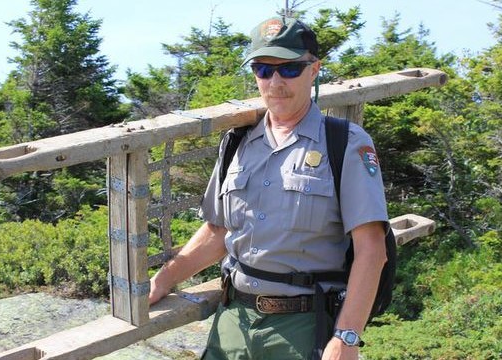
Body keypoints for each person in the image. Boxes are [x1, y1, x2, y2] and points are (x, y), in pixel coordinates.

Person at [149, 15, 388, 360]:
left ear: (314, 69)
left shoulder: (345, 144)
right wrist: (163, 279)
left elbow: (372, 249)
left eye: (289, 68)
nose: (275, 81)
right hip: (233, 321)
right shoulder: (238, 143)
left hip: (304, 328)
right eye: (263, 69)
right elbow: (218, 230)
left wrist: (347, 336)